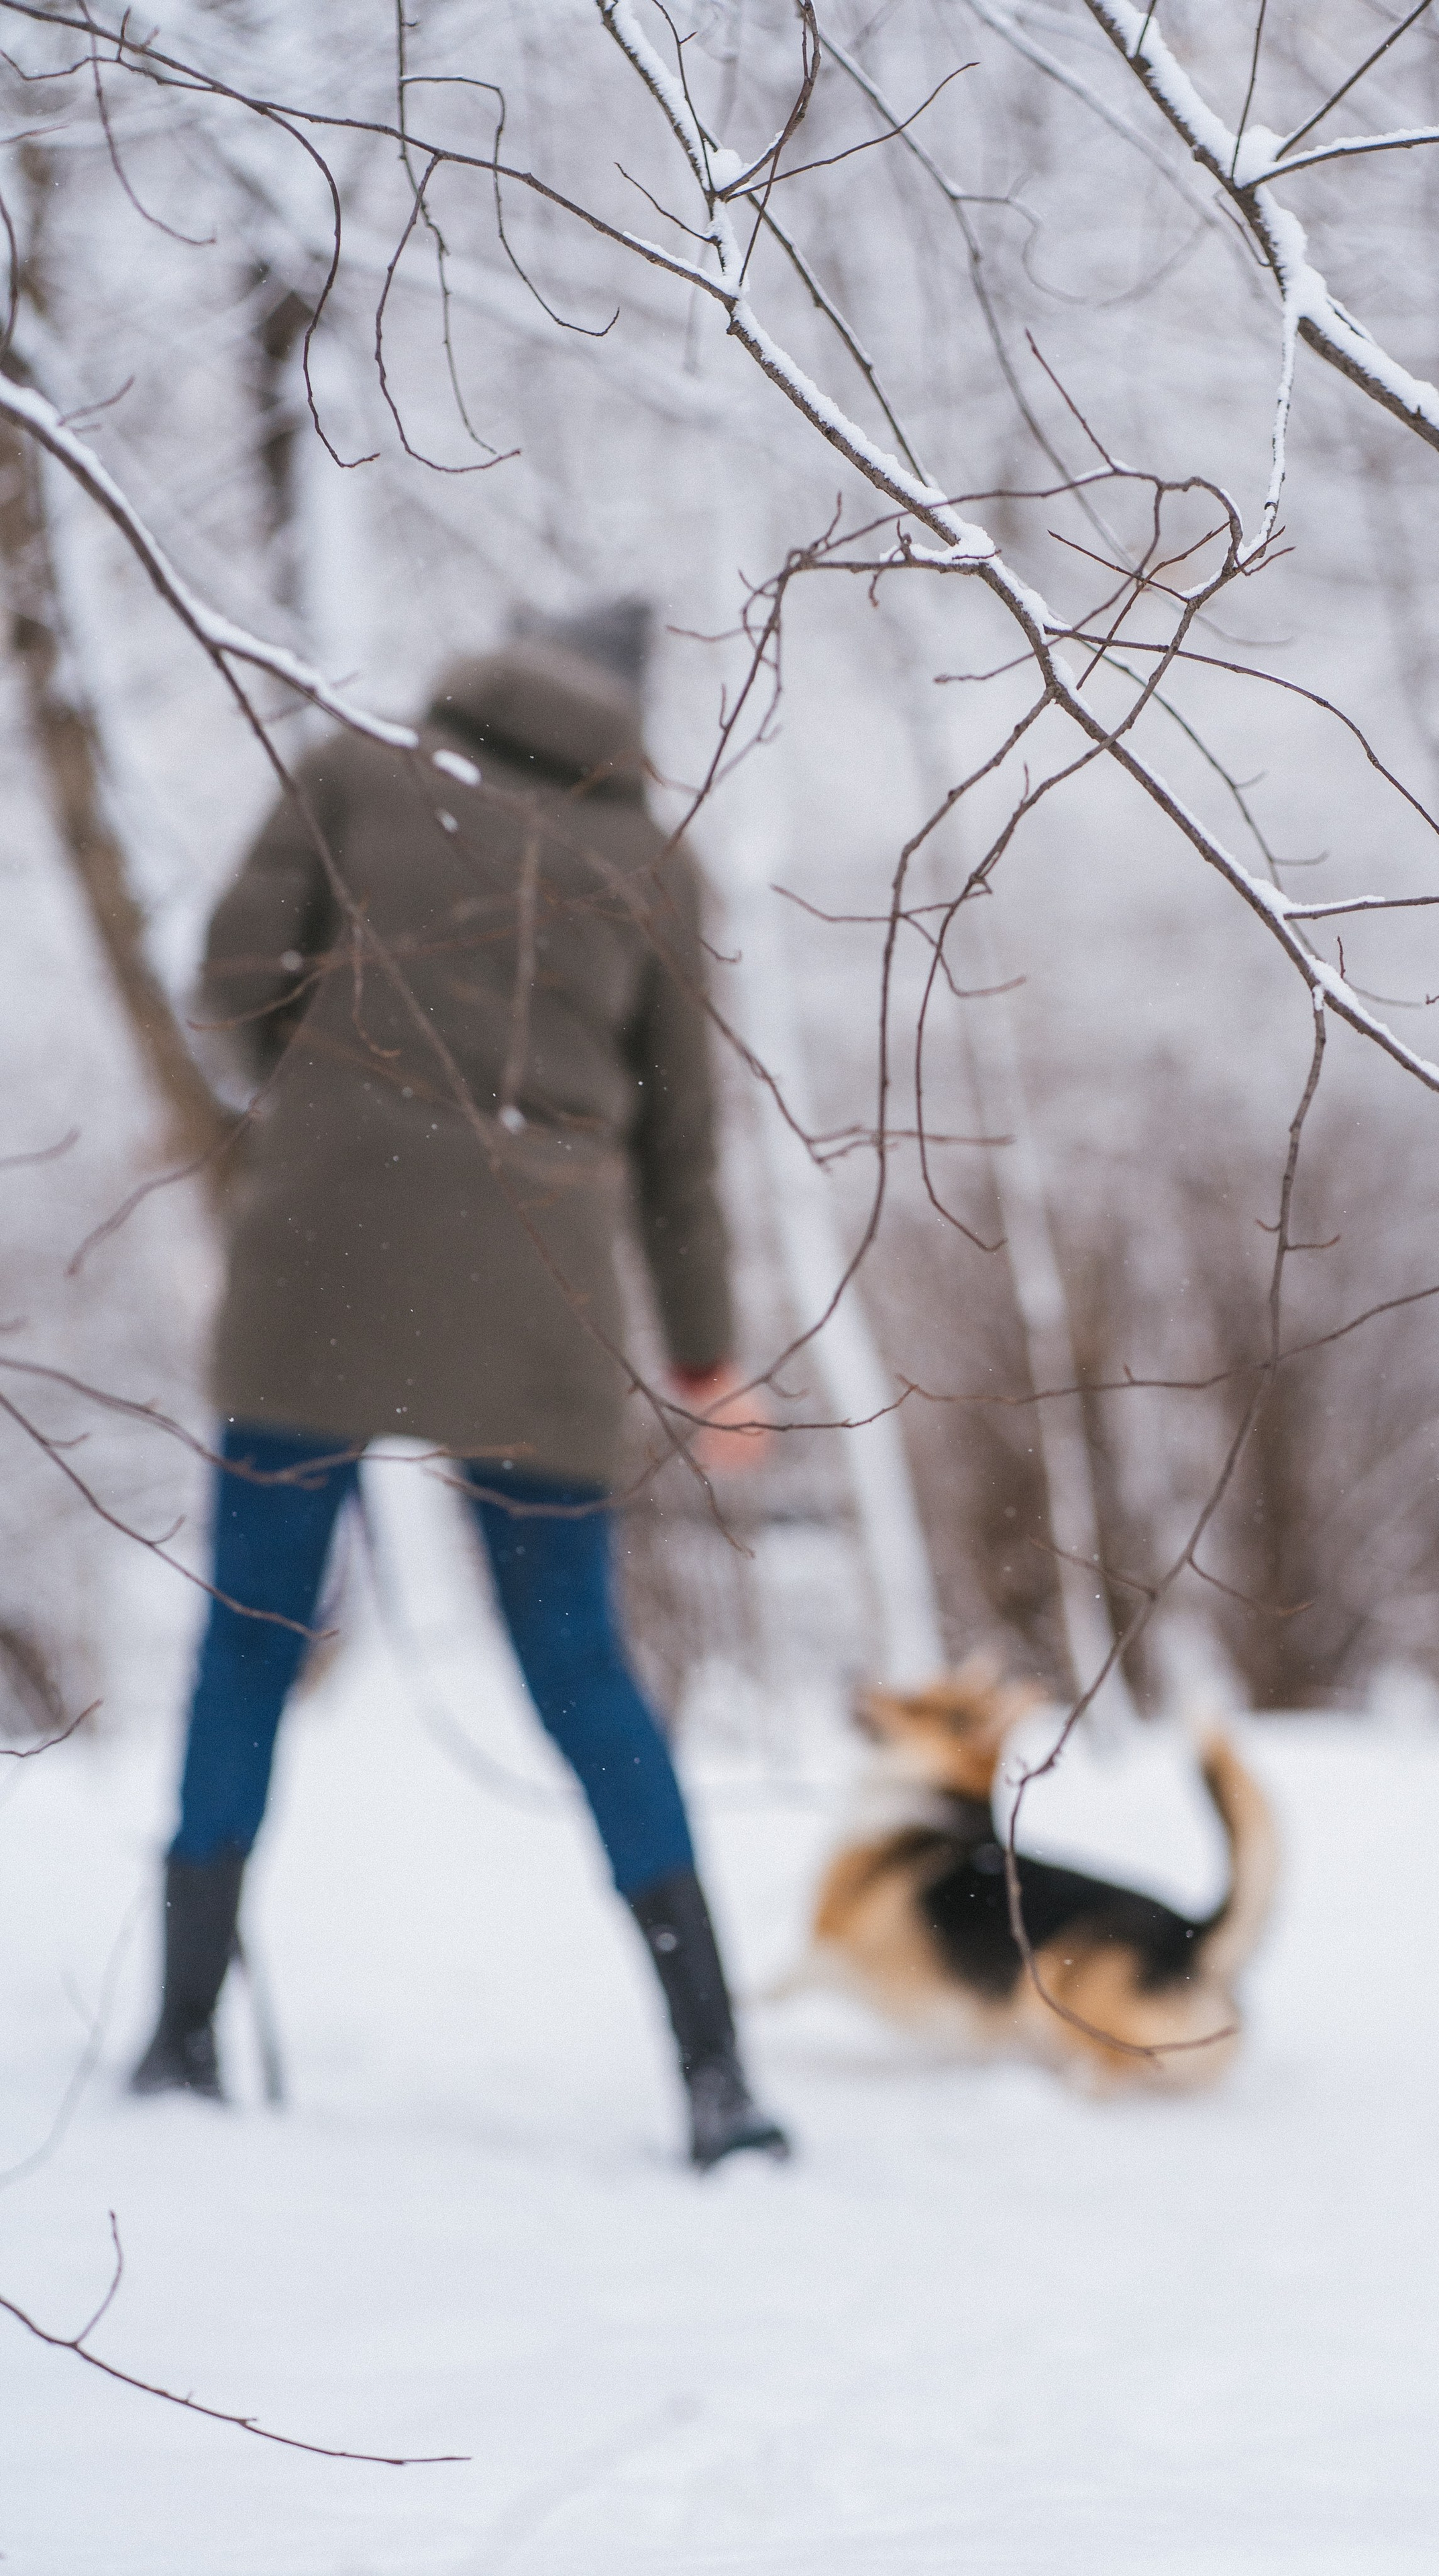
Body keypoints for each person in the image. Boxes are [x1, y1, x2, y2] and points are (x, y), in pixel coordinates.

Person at [129, 604, 790, 2171]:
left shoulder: (358, 772)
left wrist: (328, 1104)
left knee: (250, 1640)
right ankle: (714, 2077)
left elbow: (230, 982)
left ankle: (182, 2033)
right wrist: (705, 1361)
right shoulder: (652, 863)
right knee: (576, 1664)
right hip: (535, 1294)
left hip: (322, 1260)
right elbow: (679, 1151)